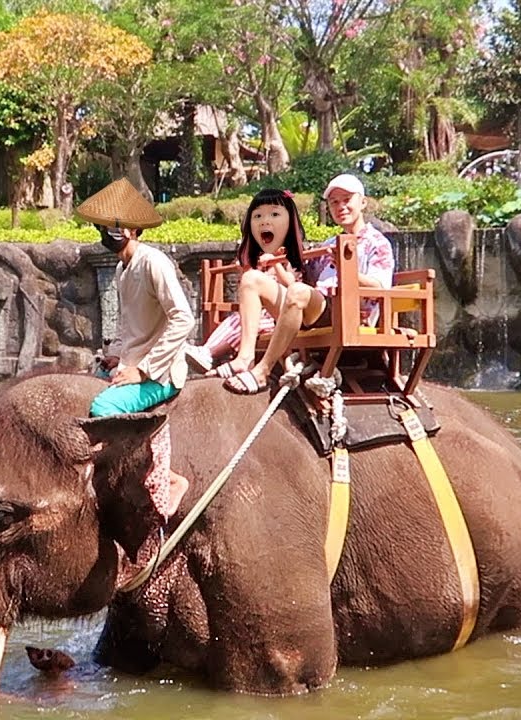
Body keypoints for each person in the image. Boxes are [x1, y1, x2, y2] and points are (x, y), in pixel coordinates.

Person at [77, 179, 193, 520]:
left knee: (103, 405)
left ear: (130, 228)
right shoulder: (122, 267)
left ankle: (166, 478)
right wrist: (116, 355)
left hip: (162, 371)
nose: (106, 231)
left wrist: (142, 370)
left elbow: (183, 319)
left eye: (112, 225)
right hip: (133, 359)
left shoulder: (153, 262)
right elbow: (130, 324)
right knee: (88, 381)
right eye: (103, 226)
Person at [223, 172, 395, 395]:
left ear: (362, 202)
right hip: (316, 307)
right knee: (251, 280)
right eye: (334, 202)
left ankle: (262, 371)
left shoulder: (378, 243)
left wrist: (347, 271)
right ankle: (244, 357)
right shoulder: (329, 244)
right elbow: (296, 280)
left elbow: (381, 287)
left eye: (346, 200)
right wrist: (273, 260)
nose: (340, 206)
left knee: (299, 293)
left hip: (348, 312)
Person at [184, 188, 308, 377]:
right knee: (237, 319)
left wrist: (275, 264)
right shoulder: (263, 252)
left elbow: (293, 284)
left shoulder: (291, 254)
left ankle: (215, 353)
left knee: (246, 322)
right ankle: (208, 351)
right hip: (263, 311)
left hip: (283, 313)